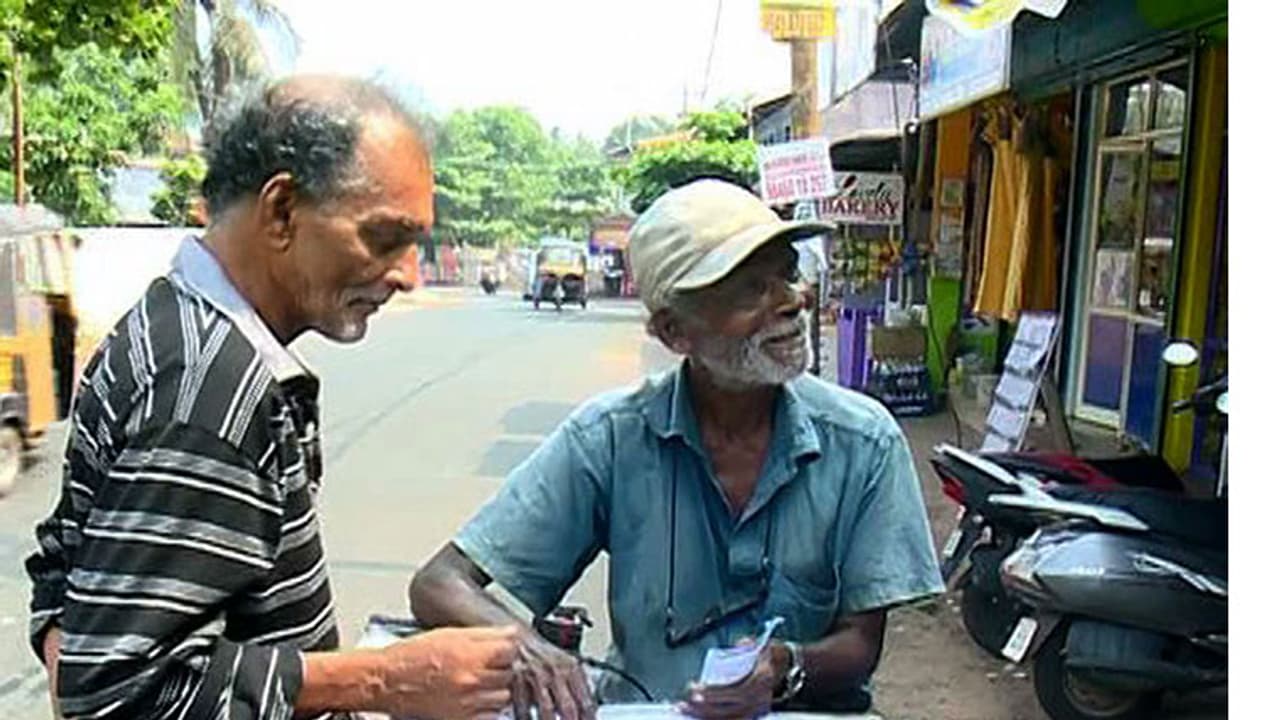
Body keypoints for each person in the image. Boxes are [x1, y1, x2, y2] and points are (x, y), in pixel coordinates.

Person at [25, 76, 518, 720]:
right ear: (282, 210)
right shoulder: (209, 391)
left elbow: (64, 568)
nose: (406, 274)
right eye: (385, 237)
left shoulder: (169, 320)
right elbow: (117, 699)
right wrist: (382, 680)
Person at [410, 179, 944, 720]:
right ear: (674, 332)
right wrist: (527, 649)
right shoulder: (610, 437)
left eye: (787, 273)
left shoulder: (865, 440)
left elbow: (861, 643)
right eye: (749, 290)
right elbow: (439, 583)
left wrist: (787, 666)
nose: (791, 301)